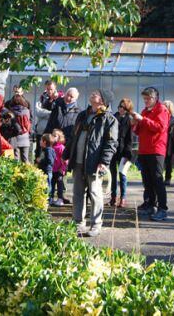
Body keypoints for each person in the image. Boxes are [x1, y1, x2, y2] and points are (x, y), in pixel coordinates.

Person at [63, 89, 118, 237]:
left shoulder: (109, 119)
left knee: (95, 193)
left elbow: (111, 143)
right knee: (77, 193)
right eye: (92, 93)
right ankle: (78, 223)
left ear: (103, 100)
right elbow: (74, 137)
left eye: (96, 94)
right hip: (79, 161)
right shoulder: (83, 115)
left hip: (94, 163)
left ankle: (96, 224)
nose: (92, 94)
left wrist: (104, 161)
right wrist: (66, 154)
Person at [132, 87, 170, 222]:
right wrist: (135, 123)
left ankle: (163, 208)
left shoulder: (162, 110)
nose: (146, 101)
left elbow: (160, 127)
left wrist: (142, 119)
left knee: (157, 180)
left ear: (155, 98)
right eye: (144, 99)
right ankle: (150, 204)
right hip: (144, 150)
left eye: (148, 98)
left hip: (156, 150)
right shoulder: (145, 111)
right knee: (147, 180)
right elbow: (139, 131)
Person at [110, 98, 134, 207]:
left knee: (122, 174)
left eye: (123, 108)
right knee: (112, 175)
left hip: (124, 151)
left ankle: (123, 198)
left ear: (127, 109)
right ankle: (113, 197)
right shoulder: (113, 117)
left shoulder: (129, 120)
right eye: (120, 106)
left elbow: (130, 139)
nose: (120, 109)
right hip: (113, 150)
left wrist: (128, 153)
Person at [6, 94, 32, 163]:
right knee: (25, 160)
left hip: (15, 138)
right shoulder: (27, 111)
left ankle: (15, 173)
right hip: (25, 137)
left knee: (15, 159)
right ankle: (28, 173)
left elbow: (10, 124)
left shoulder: (11, 112)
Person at [50, 129, 70, 206]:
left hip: (59, 170)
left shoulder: (61, 147)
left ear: (59, 138)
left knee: (59, 184)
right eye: (52, 135)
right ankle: (50, 198)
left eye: (55, 136)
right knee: (51, 184)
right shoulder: (51, 146)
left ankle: (60, 199)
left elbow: (65, 160)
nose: (53, 137)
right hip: (52, 169)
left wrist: (63, 168)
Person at [162, 100, 174, 186]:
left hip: (170, 141)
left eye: (165, 106)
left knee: (168, 160)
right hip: (162, 141)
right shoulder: (162, 116)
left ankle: (168, 178)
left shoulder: (173, 118)